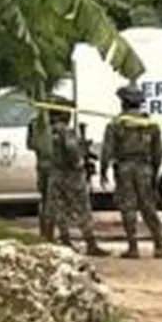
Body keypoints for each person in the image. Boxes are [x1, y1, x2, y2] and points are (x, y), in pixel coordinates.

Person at [101, 84, 162, 259]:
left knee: (128, 207)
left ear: (123, 103)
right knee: (149, 207)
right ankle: (159, 246)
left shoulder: (116, 124)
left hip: (124, 168)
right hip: (145, 168)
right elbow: (158, 152)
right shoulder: (150, 124)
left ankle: (133, 247)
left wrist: (103, 170)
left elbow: (107, 150)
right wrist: (154, 171)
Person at [45, 98, 108, 257]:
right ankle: (91, 243)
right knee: (82, 208)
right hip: (71, 175)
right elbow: (72, 148)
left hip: (55, 174)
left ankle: (65, 239)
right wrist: (80, 161)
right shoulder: (66, 131)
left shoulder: (47, 131)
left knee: (59, 209)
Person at [26, 102, 69, 244]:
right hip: (53, 167)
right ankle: (49, 236)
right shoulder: (53, 128)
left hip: (41, 165)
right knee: (53, 202)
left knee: (45, 200)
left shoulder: (34, 124)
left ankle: (44, 234)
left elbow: (30, 144)